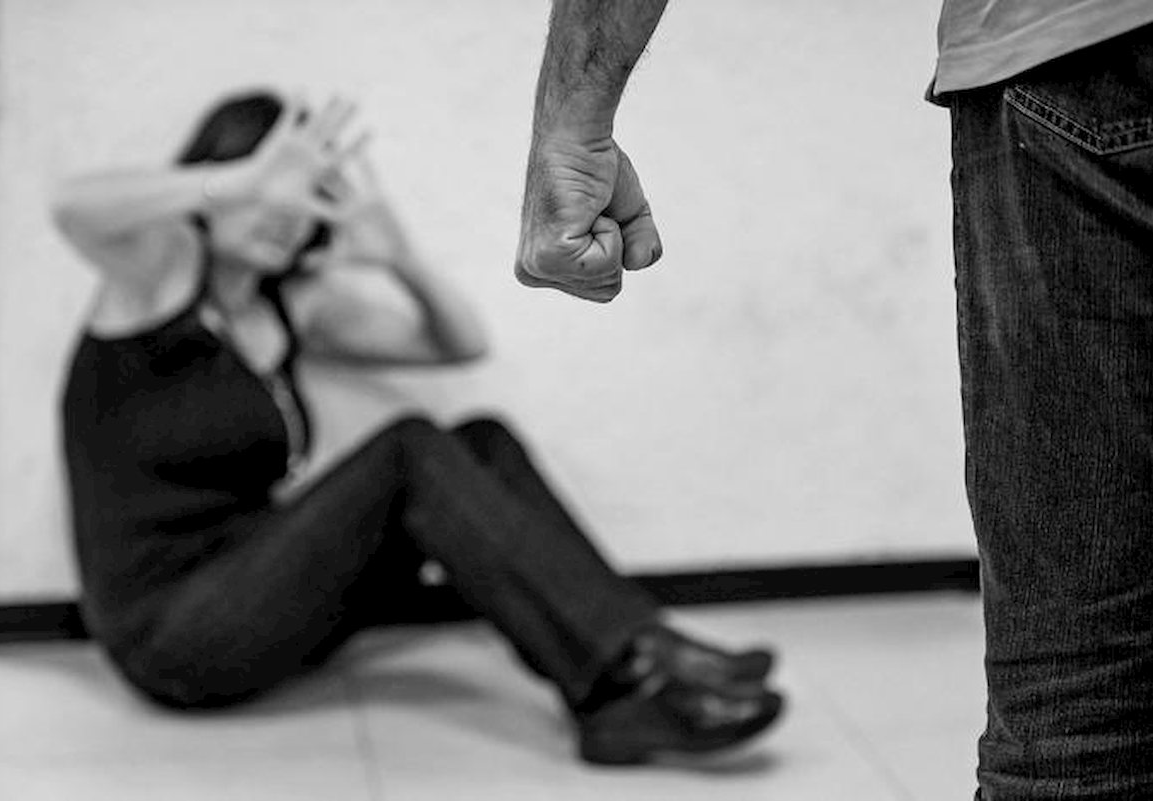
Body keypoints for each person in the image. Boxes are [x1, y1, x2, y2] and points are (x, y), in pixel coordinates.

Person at [515, 1, 1153, 797]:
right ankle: (641, 656)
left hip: (1088, 50)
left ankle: (641, 655)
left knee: (1087, 711)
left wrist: (572, 122)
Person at [52, 87, 785, 767]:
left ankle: (636, 651)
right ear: (223, 178)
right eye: (271, 190)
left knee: (481, 441)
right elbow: (70, 206)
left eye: (309, 194)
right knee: (406, 448)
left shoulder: (291, 306)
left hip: (256, 584)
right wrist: (243, 181)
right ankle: (626, 675)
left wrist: (399, 254)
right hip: (171, 633)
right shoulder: (156, 276)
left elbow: (460, 343)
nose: (285, 212)